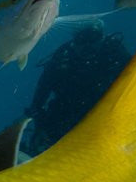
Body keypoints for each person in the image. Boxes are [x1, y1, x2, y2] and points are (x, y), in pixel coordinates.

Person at [24, 25, 130, 155]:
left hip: (106, 116)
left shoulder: (115, 55)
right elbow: (39, 98)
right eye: (82, 40)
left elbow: (135, 83)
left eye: (93, 39)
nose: (88, 46)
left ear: (101, 39)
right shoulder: (62, 60)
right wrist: (40, 127)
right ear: (74, 42)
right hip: (65, 115)